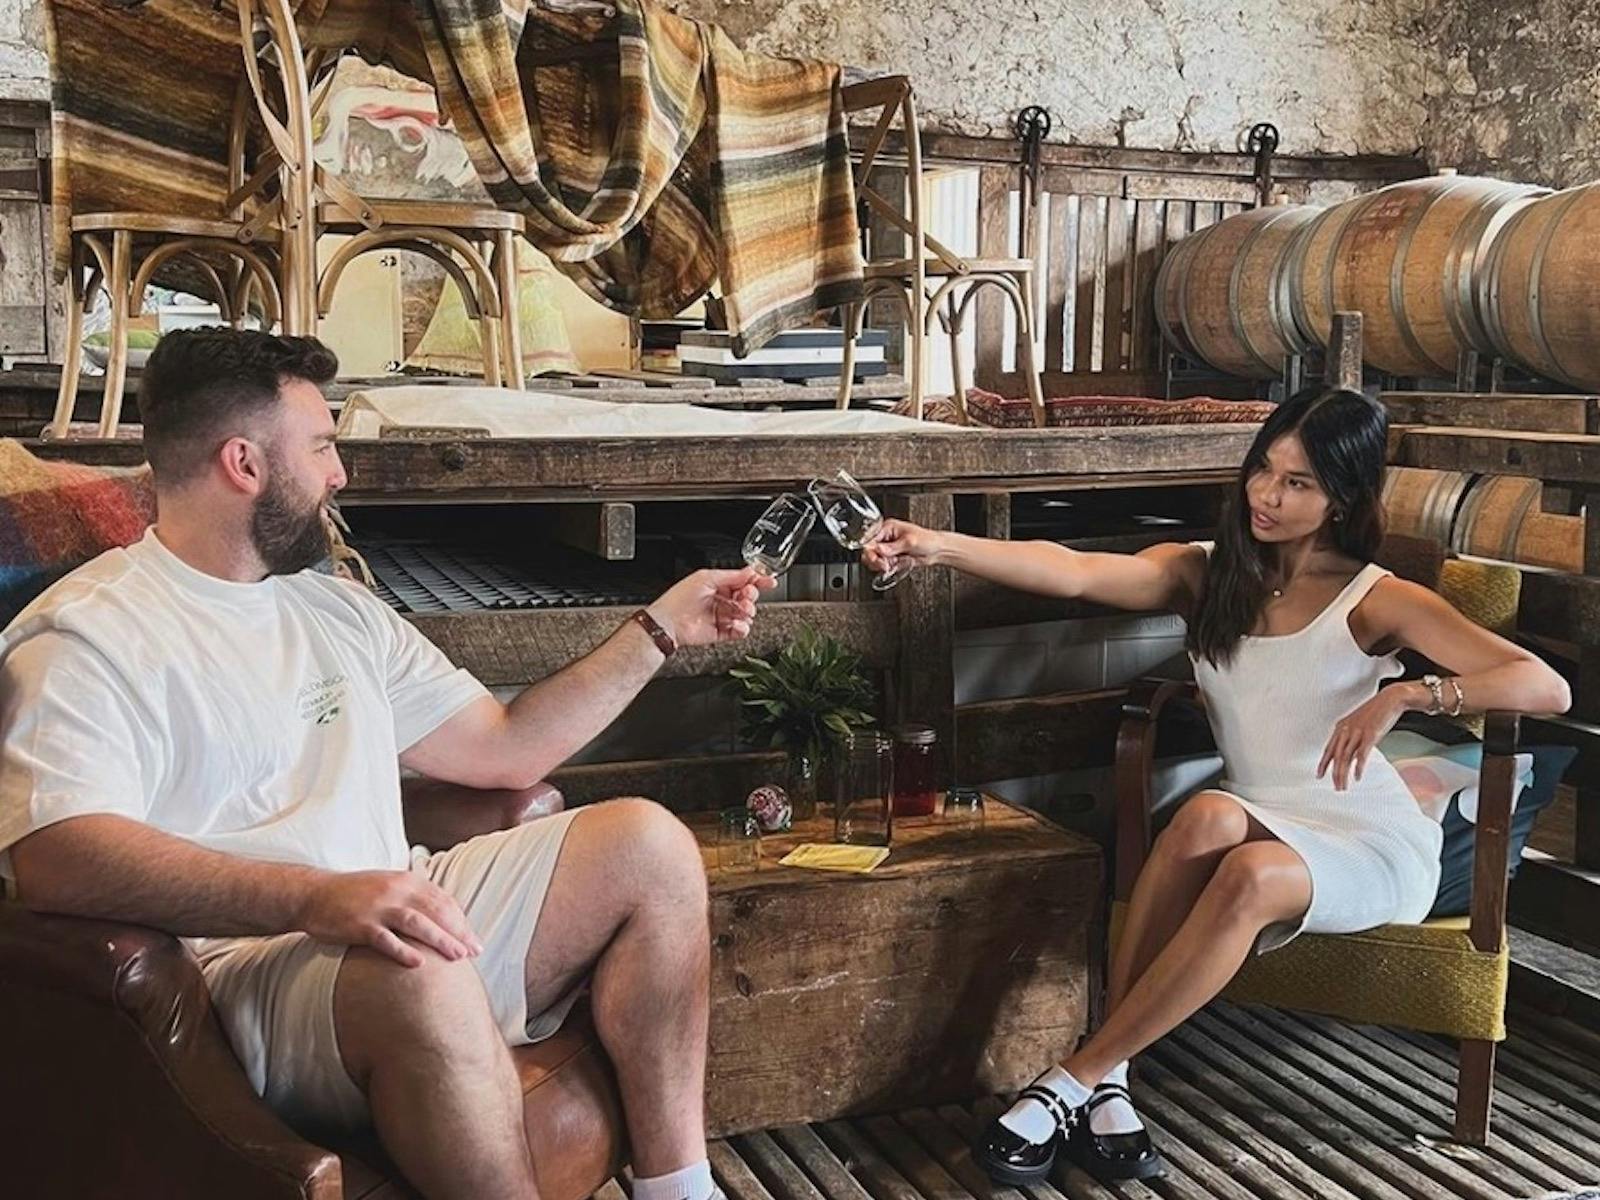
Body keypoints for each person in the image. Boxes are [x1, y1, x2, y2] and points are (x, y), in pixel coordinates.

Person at [0, 328, 774, 1200]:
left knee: (650, 845)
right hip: (248, 969)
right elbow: (55, 856)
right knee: (425, 970)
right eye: (323, 446)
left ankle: (681, 1190)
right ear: (244, 463)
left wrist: (662, 629)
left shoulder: (333, 609)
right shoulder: (90, 634)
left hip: (390, 908)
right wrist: (311, 896)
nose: (339, 474)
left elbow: (506, 746)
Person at [863, 386, 1570, 1185]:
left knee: (1250, 870)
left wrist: (1411, 693)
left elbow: (1545, 686)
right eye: (1263, 470)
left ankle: (1070, 1078)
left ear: (1343, 497)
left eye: (1298, 483)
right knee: (1202, 817)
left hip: (1369, 841)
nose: (1267, 495)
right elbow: (1073, 572)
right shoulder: (1209, 575)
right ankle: (1111, 1080)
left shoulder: (1375, 599)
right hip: (1260, 808)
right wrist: (935, 545)